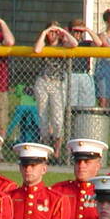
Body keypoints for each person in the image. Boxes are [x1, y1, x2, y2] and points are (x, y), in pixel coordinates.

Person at [32, 23, 76, 161]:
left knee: (57, 120)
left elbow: (74, 44)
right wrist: (45, 32)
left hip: (58, 83)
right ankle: (46, 150)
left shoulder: (63, 45)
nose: (53, 34)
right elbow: (37, 50)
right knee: (43, 117)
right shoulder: (44, 45)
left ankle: (56, 152)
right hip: (43, 82)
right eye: (51, 32)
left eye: (55, 32)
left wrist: (63, 31)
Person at [67, 19, 101, 108]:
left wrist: (87, 30)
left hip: (84, 74)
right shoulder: (66, 43)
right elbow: (73, 43)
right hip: (71, 74)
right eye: (76, 31)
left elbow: (99, 43)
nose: (78, 34)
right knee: (71, 104)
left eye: (81, 32)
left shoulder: (86, 43)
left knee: (86, 104)